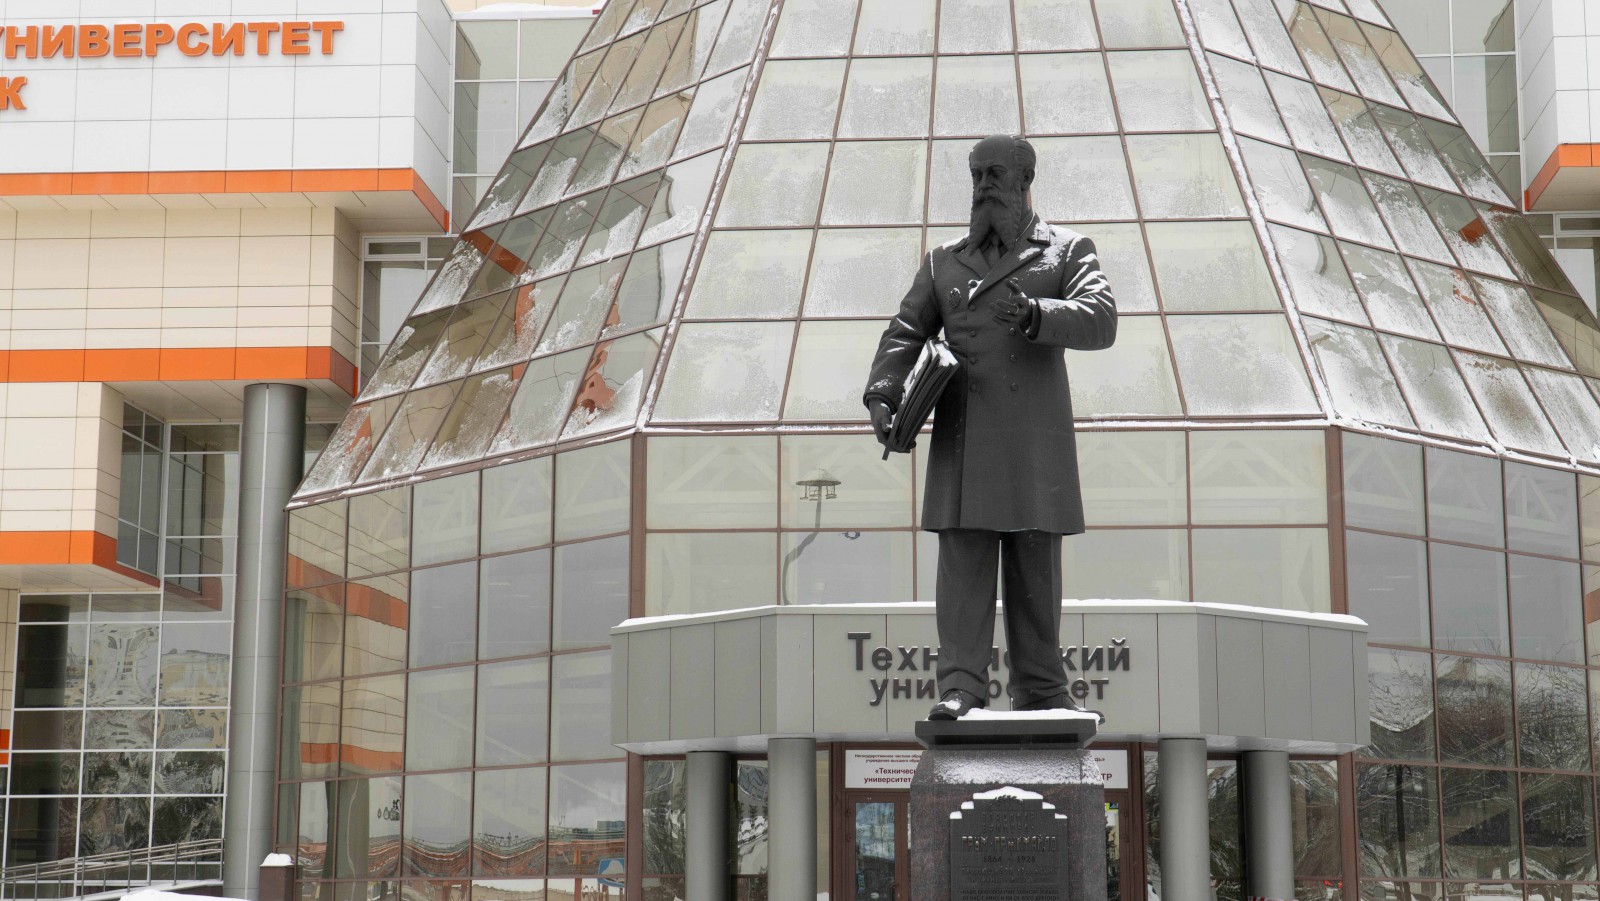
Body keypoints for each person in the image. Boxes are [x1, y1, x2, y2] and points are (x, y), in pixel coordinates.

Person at [863, 134, 1118, 720]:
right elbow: (906, 331)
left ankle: (1043, 691)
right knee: (963, 576)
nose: (982, 187)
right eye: (976, 175)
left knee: (1035, 575)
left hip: (1033, 444)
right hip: (965, 440)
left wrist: (1035, 313)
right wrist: (883, 394)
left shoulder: (1066, 250)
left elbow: (1101, 319)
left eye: (995, 174)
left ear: (1026, 181)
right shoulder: (943, 261)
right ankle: (960, 688)